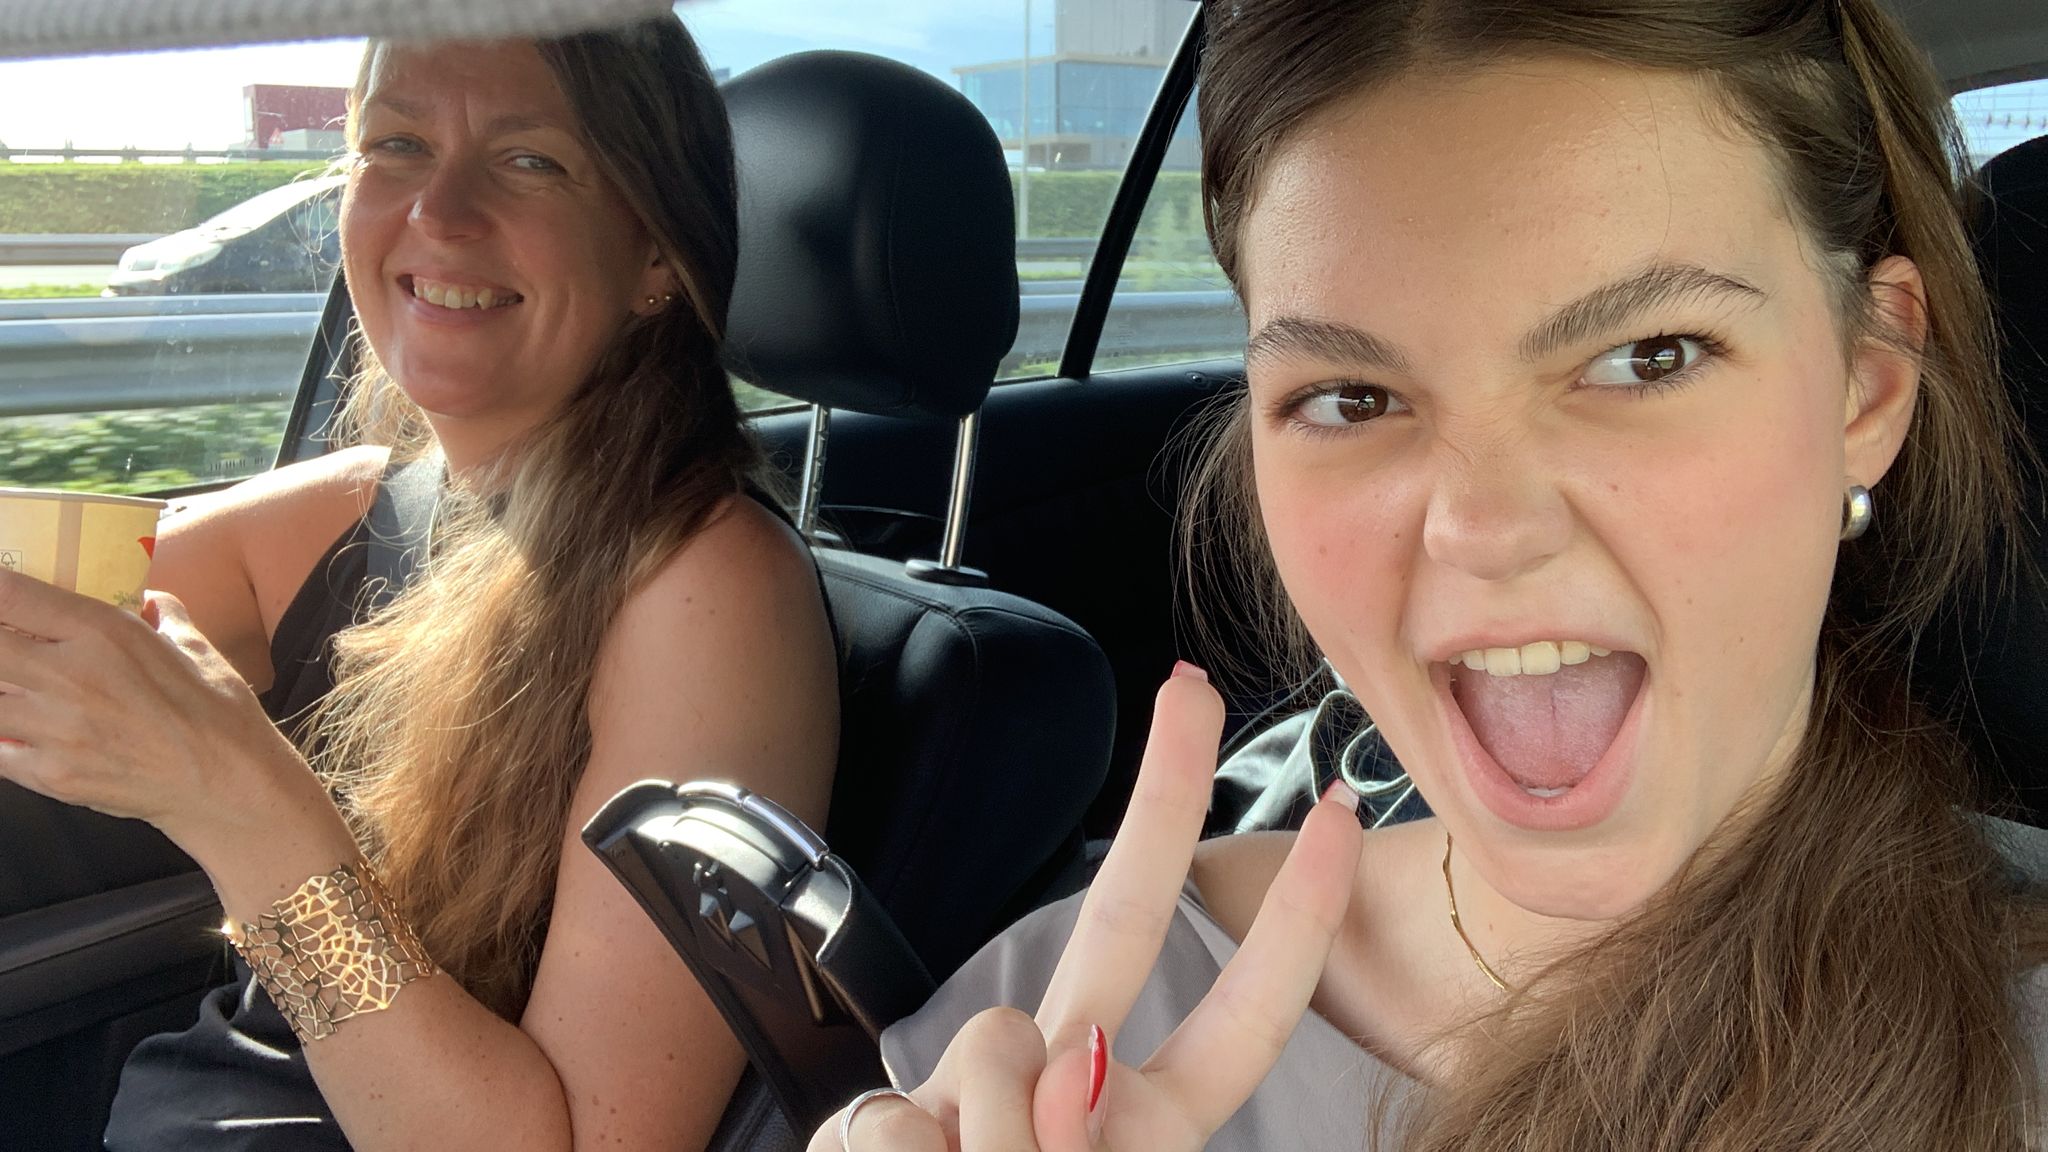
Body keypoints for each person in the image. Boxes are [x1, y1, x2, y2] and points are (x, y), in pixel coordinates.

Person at [819, 0, 2048, 1148]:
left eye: (1647, 356)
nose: (1481, 527)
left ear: (1864, 386)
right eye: (1351, 398)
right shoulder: (1056, 1033)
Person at [0, 15, 838, 1152]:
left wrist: (233, 800)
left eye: (529, 160)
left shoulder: (707, 588)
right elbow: (52, 611)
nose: (439, 212)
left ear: (653, 251)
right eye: (396, 145)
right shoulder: (370, 508)